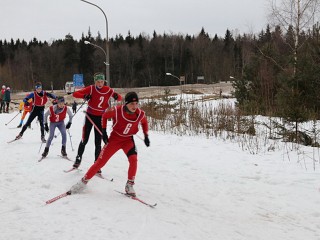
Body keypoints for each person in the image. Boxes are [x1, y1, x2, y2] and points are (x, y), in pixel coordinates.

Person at [70, 92, 150, 197]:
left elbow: (144, 122)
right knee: (100, 162)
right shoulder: (116, 111)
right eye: (132, 104)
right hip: (114, 140)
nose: (134, 106)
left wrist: (146, 135)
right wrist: (104, 132)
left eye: (136, 103)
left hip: (128, 140)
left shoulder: (140, 114)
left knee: (133, 159)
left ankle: (129, 185)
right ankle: (83, 182)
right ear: (126, 103)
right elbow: (104, 116)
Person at [71, 72, 122, 171]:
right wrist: (85, 96)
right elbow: (75, 94)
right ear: (95, 82)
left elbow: (119, 98)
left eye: (101, 81)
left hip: (101, 118)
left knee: (98, 142)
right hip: (90, 116)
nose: (100, 84)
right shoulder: (91, 88)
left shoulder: (108, 90)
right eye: (98, 82)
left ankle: (96, 164)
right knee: (84, 139)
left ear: (104, 82)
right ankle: (78, 159)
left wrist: (116, 96)